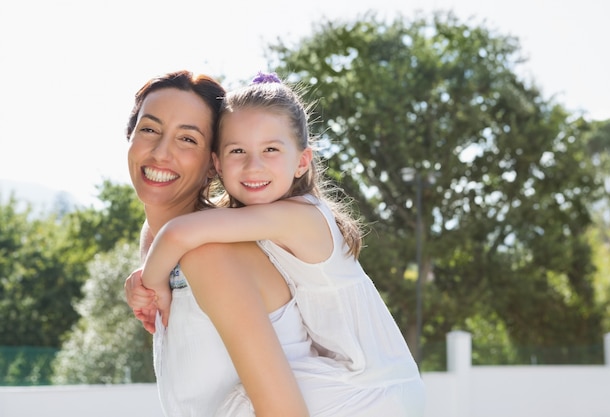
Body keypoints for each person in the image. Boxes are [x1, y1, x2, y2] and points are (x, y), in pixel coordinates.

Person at [139, 71, 426, 416]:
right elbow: (164, 228)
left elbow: (176, 233)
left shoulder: (297, 216)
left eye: (271, 149)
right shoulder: (255, 218)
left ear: (302, 161)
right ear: (217, 162)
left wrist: (150, 282)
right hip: (357, 379)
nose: (253, 165)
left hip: (367, 387)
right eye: (237, 150)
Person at [124, 70, 310, 417]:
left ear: (214, 165)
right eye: (149, 129)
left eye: (188, 139)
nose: (162, 153)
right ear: (130, 137)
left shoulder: (210, 254)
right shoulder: (157, 242)